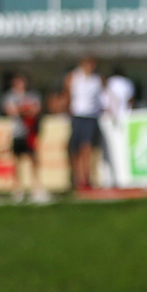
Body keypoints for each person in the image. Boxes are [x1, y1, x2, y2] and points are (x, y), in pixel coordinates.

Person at [0, 72, 42, 203]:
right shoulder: (9, 96)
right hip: (17, 133)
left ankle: (36, 188)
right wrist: (25, 110)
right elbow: (10, 110)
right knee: (16, 162)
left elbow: (36, 110)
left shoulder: (32, 95)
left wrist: (22, 109)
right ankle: (18, 189)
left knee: (33, 160)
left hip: (30, 133)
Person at [64, 55, 103, 192]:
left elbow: (101, 99)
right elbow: (67, 96)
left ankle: (86, 179)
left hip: (90, 117)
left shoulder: (96, 80)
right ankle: (77, 179)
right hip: (77, 116)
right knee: (75, 150)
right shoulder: (74, 77)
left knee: (86, 149)